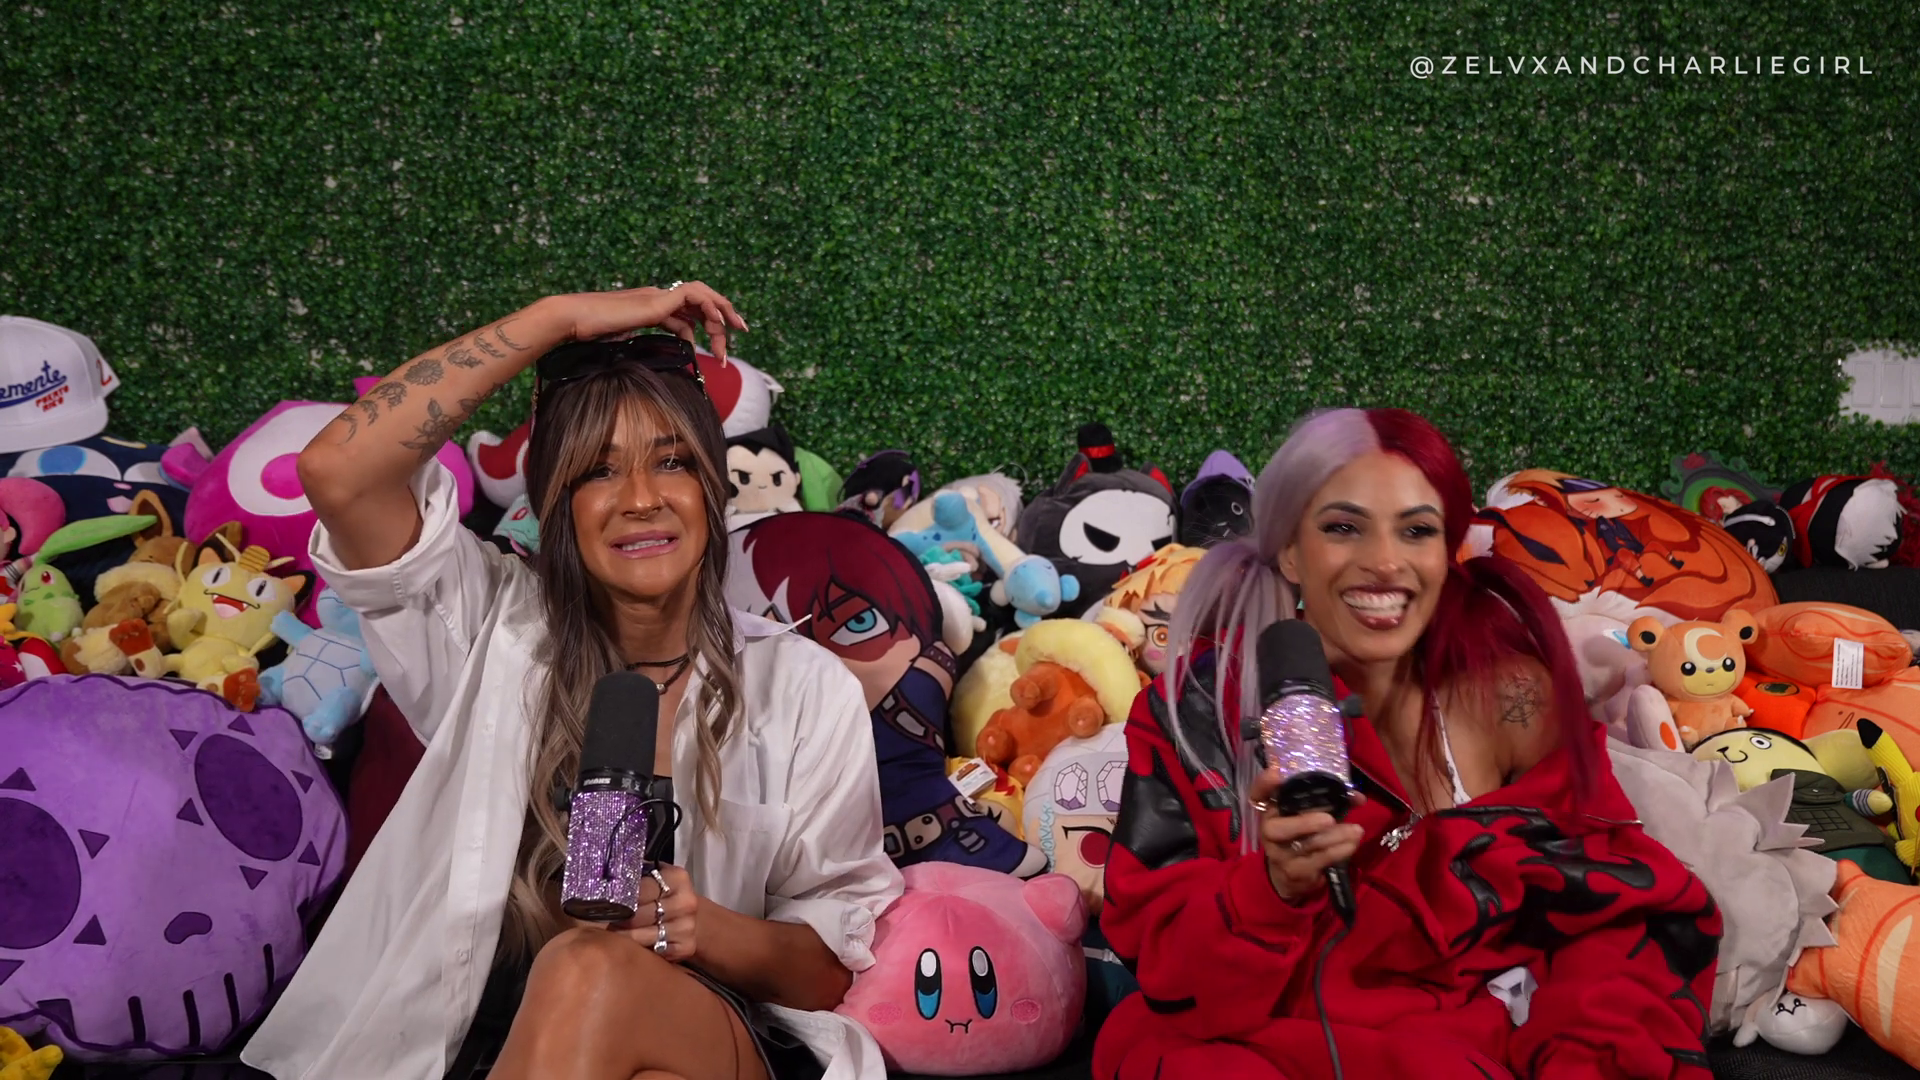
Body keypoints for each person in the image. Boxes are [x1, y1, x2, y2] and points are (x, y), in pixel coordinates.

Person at [242, 283, 904, 1080]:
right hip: (500, 1046)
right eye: (597, 471)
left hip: (716, 1033)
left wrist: (695, 925)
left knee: (586, 967)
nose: (641, 500)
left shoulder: (802, 688)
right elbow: (340, 471)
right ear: (555, 503)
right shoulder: (485, 631)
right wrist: (557, 319)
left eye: (672, 462)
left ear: (712, 488)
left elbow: (825, 972)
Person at [1095, 408, 1722, 1080]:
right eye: (1343, 527)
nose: (1385, 563)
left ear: (1448, 550)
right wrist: (1268, 888)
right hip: (1252, 1044)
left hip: (1464, 1051)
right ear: (1289, 550)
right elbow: (1167, 969)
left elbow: (1614, 914)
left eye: (1417, 530)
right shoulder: (1193, 713)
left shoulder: (1511, 695)